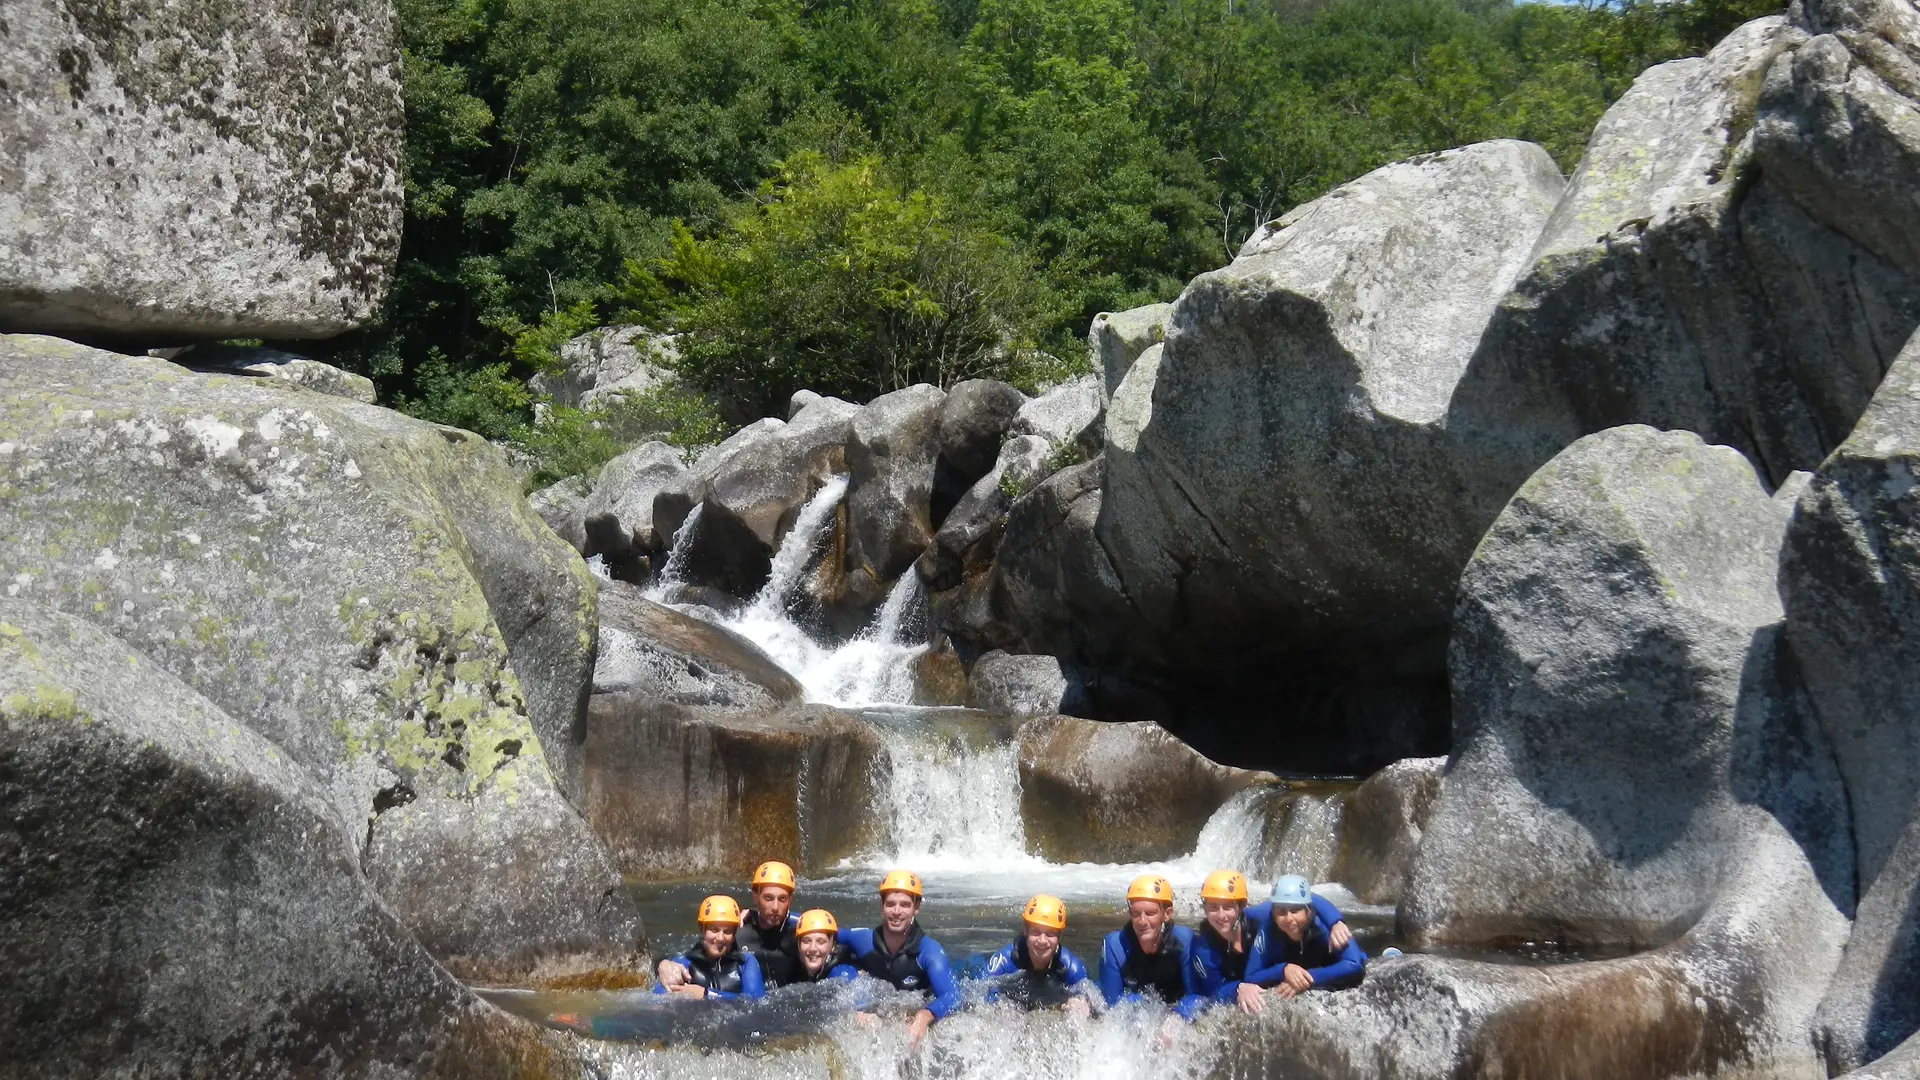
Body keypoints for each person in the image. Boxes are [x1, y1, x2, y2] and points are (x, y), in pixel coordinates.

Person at [1190, 869, 1355, 1015]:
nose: (1221, 916)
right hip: (1237, 985)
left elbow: (1305, 899)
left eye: (1227, 907)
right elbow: (1212, 993)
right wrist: (1238, 988)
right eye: (1213, 908)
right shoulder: (1204, 949)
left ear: (1241, 907)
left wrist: (1335, 921)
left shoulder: (1262, 915)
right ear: (1204, 910)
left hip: (1261, 976)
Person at [840, 869, 962, 1047]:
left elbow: (953, 995)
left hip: (914, 1006)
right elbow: (819, 930)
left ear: (916, 907)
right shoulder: (863, 940)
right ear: (882, 906)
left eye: (905, 905)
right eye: (890, 904)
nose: (896, 911)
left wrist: (924, 1016)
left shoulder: (929, 952)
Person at [657, 860, 802, 988]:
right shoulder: (735, 931)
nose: (775, 907)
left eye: (782, 899)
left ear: (790, 899)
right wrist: (661, 964)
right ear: (755, 896)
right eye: (768, 898)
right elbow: (697, 953)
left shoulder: (801, 930)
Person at [1097, 875, 1205, 1021]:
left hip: (1174, 1009)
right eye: (1136, 914)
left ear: (1167, 914)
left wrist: (1177, 1017)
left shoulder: (1184, 941)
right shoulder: (1114, 945)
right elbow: (1112, 1003)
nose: (1142, 921)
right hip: (1136, 1011)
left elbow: (1197, 995)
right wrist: (1140, 1008)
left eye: (1150, 913)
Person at [1243, 874, 1366, 1001]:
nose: (1289, 919)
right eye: (1281, 912)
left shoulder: (1325, 927)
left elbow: (1354, 965)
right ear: (1273, 914)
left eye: (1295, 911)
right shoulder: (1267, 928)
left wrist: (1305, 979)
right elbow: (1251, 976)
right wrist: (1283, 970)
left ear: (1308, 912)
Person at [981, 894, 1093, 1016]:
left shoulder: (1070, 967)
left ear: (1059, 936)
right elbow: (981, 994)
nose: (1042, 941)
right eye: (1036, 932)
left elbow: (1090, 998)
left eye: (1050, 933)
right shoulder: (1005, 961)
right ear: (1025, 931)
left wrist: (1081, 1003)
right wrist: (1000, 1005)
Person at [651, 895, 766, 1001]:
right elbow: (656, 1001)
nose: (720, 938)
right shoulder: (684, 965)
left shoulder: (745, 963)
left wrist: (705, 994)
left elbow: (756, 1002)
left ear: (734, 933)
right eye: (714, 930)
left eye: (727, 932)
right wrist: (662, 964)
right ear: (702, 929)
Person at [786, 908, 859, 984]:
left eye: (820, 942)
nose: (812, 948)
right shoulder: (792, 968)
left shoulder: (839, 973)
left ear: (832, 946)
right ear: (798, 945)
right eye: (807, 941)